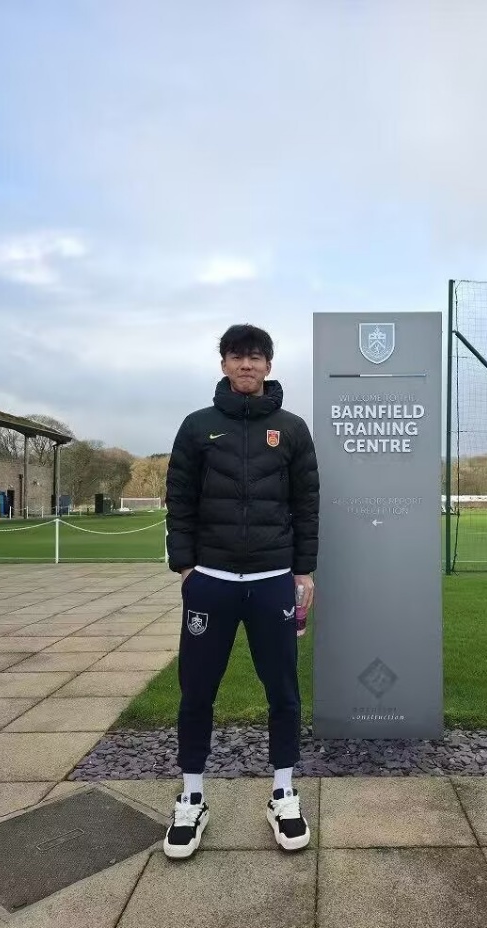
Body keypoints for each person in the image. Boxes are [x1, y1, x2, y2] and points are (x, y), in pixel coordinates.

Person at [163, 324, 319, 859]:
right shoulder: (197, 426)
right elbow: (179, 498)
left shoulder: (291, 429)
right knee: (197, 690)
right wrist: (186, 567)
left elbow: (306, 504)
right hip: (212, 581)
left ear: (269, 365)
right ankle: (191, 797)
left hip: (272, 580)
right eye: (237, 356)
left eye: (255, 357)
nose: (246, 365)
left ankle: (283, 793)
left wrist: (303, 571)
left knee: (283, 690)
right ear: (224, 363)